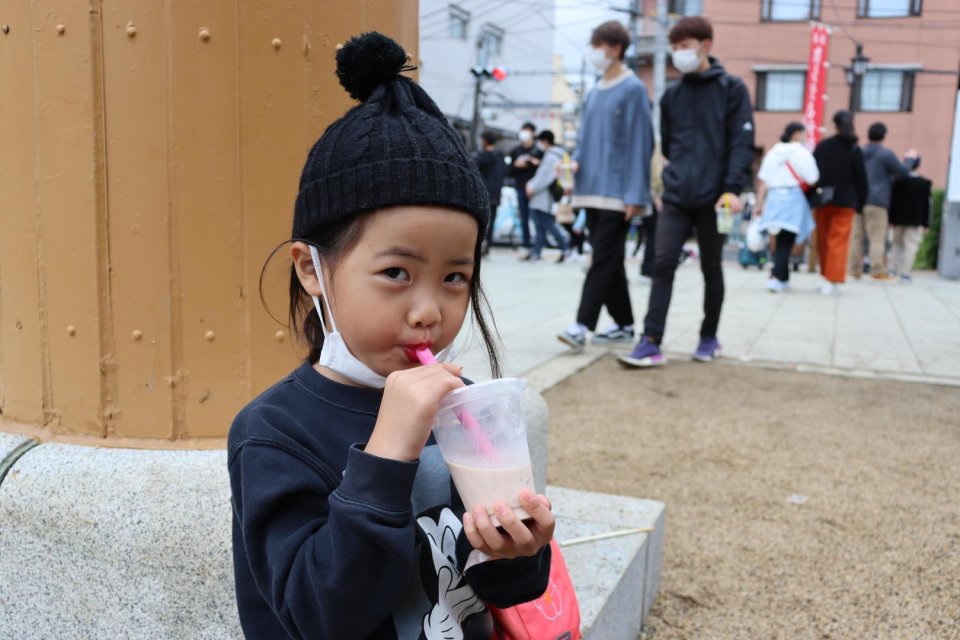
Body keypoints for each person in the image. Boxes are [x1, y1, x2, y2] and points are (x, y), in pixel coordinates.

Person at [228, 33, 554, 640]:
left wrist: (518, 551)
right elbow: (316, 617)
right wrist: (388, 450)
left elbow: (503, 590)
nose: (429, 310)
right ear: (312, 269)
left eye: (456, 276)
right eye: (396, 273)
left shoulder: (462, 410)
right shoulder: (273, 430)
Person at [620, 15, 754, 368]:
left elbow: (741, 143)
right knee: (662, 263)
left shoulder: (732, 89)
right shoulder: (672, 96)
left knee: (712, 266)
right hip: (678, 195)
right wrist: (666, 185)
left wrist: (732, 188)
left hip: (717, 197)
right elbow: (669, 146)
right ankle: (651, 340)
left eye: (684, 47)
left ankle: (709, 336)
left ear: (705, 45)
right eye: (674, 48)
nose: (679, 53)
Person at [556, 20, 654, 352]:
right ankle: (625, 324)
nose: (594, 52)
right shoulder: (595, 90)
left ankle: (581, 326)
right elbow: (583, 140)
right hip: (589, 188)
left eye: (598, 45)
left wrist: (635, 194)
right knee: (608, 259)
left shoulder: (633, 88)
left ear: (615, 48)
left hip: (617, 193)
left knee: (601, 259)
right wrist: (572, 166)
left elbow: (642, 143)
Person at [754, 122, 819, 292]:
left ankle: (783, 276)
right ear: (796, 134)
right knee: (786, 239)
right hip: (793, 198)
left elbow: (764, 181)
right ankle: (776, 276)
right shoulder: (802, 153)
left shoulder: (773, 153)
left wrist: (760, 203)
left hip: (774, 198)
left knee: (778, 238)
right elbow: (813, 178)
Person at [849, 122, 917, 280]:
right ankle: (876, 270)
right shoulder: (885, 154)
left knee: (856, 237)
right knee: (877, 238)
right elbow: (903, 172)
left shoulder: (858, 152)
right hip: (877, 201)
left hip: (858, 199)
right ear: (884, 136)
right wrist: (910, 161)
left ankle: (853, 270)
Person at [811, 110, 868, 296]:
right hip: (847, 202)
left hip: (823, 200)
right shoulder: (855, 149)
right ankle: (832, 279)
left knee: (824, 240)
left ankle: (827, 277)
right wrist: (860, 204)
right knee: (838, 241)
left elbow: (813, 174)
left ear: (834, 125)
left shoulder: (823, 146)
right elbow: (862, 180)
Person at [523, 130, 571, 262]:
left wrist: (531, 187)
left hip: (542, 197)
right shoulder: (558, 155)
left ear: (544, 141)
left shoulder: (551, 157)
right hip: (544, 197)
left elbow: (544, 177)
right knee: (542, 226)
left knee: (546, 224)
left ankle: (565, 248)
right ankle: (537, 252)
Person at [887, 155, 931, 283]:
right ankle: (905, 273)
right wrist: (926, 223)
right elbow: (927, 205)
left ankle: (892, 269)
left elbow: (893, 202)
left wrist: (891, 219)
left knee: (896, 244)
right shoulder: (924, 183)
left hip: (898, 219)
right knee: (910, 246)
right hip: (915, 220)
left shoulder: (899, 181)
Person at [507, 122, 542, 249]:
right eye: (523, 130)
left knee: (538, 218)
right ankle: (526, 243)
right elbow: (509, 171)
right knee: (524, 217)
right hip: (520, 188)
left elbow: (544, 170)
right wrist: (516, 165)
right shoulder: (515, 151)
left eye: (527, 130)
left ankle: (538, 245)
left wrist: (535, 163)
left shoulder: (539, 151)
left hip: (536, 190)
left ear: (533, 133)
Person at [474, 130, 507, 256]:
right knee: (491, 221)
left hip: (484, 193)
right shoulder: (500, 156)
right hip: (496, 194)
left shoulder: (482, 156)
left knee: (481, 221)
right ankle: (487, 244)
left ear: (485, 141)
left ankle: (480, 244)